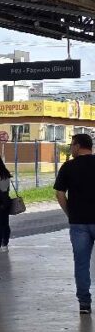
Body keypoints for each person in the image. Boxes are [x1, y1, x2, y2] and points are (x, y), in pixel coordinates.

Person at [54, 133, 95, 315]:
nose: (71, 148)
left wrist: (70, 213)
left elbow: (60, 194)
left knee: (81, 263)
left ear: (78, 146)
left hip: (78, 222)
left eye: (72, 145)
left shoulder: (68, 167)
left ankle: (84, 304)